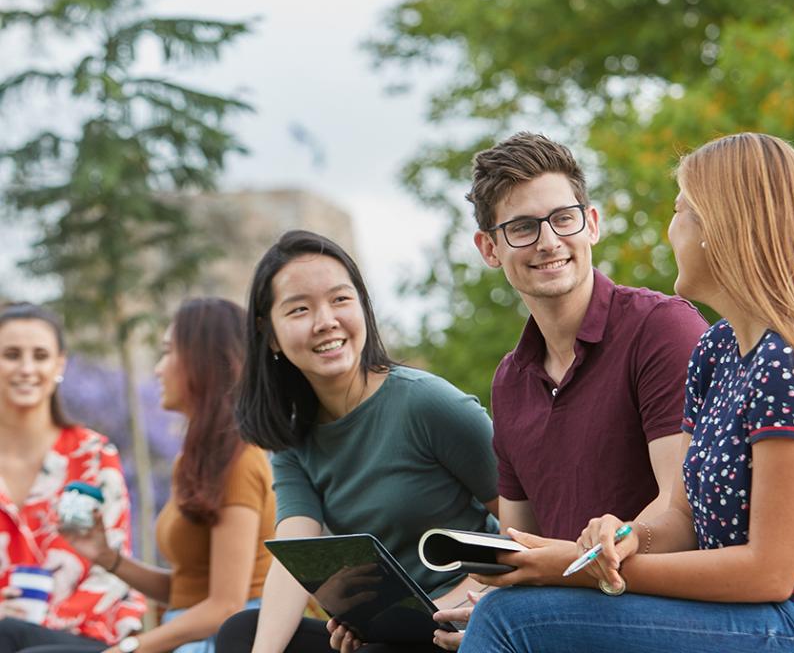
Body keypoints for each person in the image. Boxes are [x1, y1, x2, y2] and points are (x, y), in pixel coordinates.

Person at [458, 132, 794, 652]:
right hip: (748, 616)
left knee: (510, 620)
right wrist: (622, 538)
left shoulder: (789, 361)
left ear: (722, 229)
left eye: (680, 211)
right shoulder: (718, 351)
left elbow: (771, 573)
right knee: (500, 615)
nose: (670, 229)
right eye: (522, 228)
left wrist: (579, 571)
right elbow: (682, 517)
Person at [432, 132, 707, 646]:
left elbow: (679, 511)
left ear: (593, 224)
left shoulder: (661, 328)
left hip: (662, 604)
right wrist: (447, 611)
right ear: (489, 248)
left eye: (563, 218)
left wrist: (533, 593)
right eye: (522, 228)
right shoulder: (510, 381)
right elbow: (518, 544)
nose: (549, 241)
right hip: (560, 614)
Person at [214, 230, 499, 653]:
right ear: (269, 334)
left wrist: (448, 607)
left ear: (363, 307)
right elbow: (293, 560)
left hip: (470, 616)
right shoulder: (295, 439)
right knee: (241, 634)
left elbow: (526, 528)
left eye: (340, 300)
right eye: (299, 309)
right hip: (395, 629)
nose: (325, 320)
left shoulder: (428, 403)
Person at [65, 297, 276, 653]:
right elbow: (186, 589)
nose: (158, 369)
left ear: (202, 363)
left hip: (222, 641)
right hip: (187, 634)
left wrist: (129, 648)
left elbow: (226, 606)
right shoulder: (195, 462)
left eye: (167, 353)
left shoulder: (240, 461)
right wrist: (108, 557)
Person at [0, 303, 145, 652]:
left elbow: (111, 568)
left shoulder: (93, 456)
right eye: (11, 355)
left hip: (86, 635)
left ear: (59, 365)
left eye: (40, 355)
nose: (27, 368)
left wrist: (30, 622)